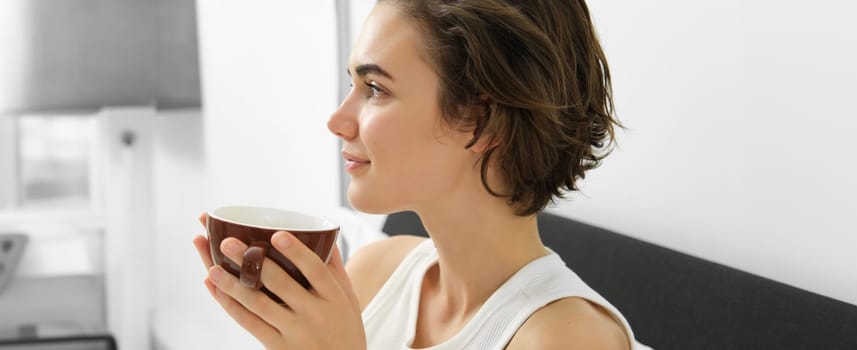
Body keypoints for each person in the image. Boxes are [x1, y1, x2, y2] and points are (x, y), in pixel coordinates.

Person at [193, 0, 649, 349]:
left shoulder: (565, 337)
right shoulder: (377, 270)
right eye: (352, 84)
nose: (337, 120)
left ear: (483, 121)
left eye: (375, 88)